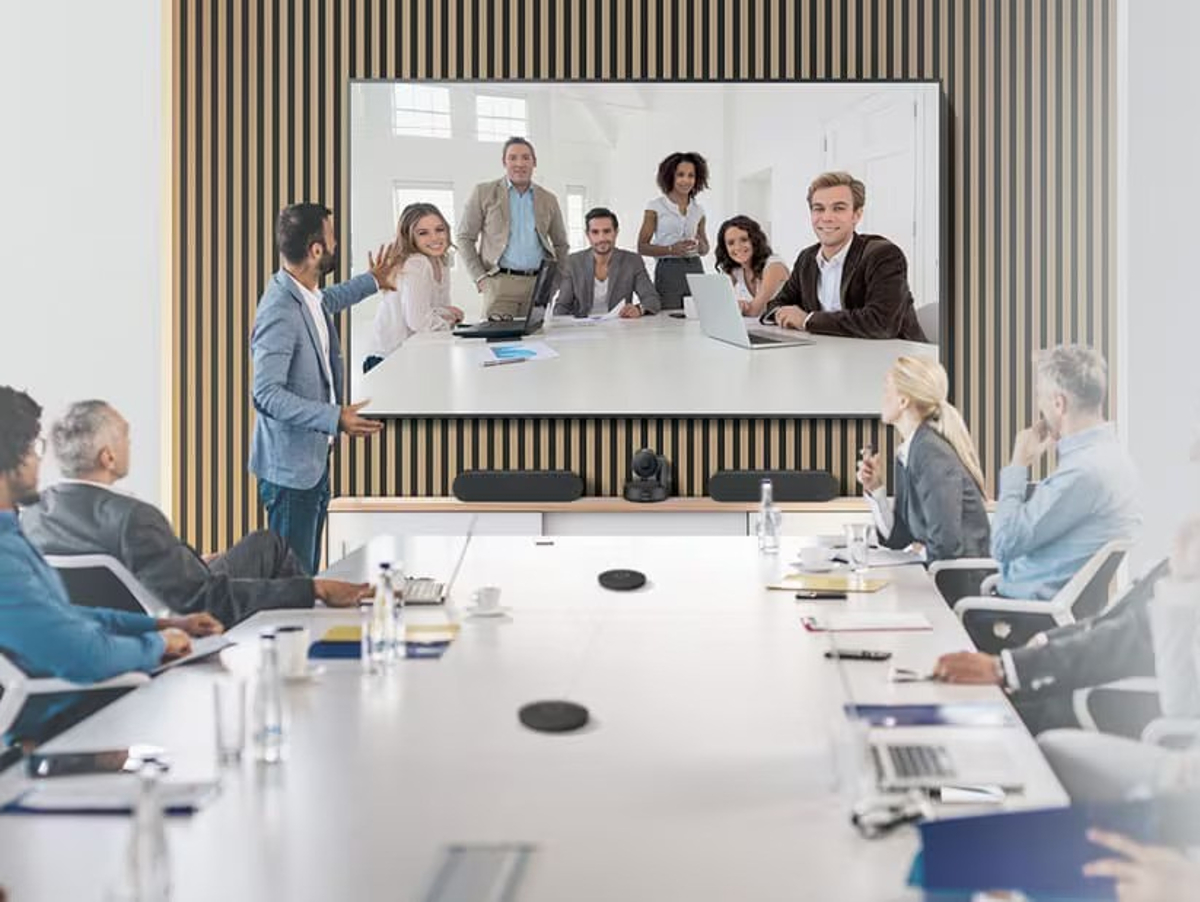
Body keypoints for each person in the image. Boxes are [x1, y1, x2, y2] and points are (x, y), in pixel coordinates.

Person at [22, 401, 373, 628]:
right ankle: (316, 641)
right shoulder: (132, 518)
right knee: (273, 548)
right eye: (125, 436)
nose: (130, 443)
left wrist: (188, 559)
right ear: (107, 457)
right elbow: (208, 603)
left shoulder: (36, 512)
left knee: (263, 545)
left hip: (136, 605)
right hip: (175, 617)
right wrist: (313, 588)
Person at [0, 387, 220, 686]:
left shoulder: (16, 530)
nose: (40, 461)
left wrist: (165, 624)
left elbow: (65, 615)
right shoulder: (5, 559)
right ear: (11, 457)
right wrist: (159, 644)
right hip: (77, 707)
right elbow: (87, 656)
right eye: (34, 448)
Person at [250, 203, 395, 576]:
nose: (335, 245)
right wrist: (334, 417)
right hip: (289, 473)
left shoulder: (305, 293)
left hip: (310, 462)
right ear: (316, 250)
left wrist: (372, 281)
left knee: (306, 577)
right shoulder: (279, 308)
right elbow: (265, 393)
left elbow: (327, 302)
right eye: (331, 239)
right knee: (293, 584)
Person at [932, 556, 1170, 734]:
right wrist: (1042, 646)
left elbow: (1132, 638)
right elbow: (1112, 623)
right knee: (950, 708)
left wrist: (1008, 669)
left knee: (956, 719)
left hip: (1117, 703)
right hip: (1084, 676)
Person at [990, 345, 1141, 600]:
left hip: (1022, 618)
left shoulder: (1083, 471)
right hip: (1037, 610)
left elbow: (1004, 543)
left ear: (1059, 403)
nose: (1039, 406)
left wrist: (1018, 465)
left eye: (1040, 397)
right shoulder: (1112, 457)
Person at [761, 171, 926, 340]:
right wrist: (782, 313)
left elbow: (882, 323)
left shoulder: (883, 255)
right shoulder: (807, 259)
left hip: (897, 360)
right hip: (834, 355)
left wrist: (807, 320)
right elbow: (776, 304)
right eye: (819, 209)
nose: (827, 218)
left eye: (838, 208)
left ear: (857, 215)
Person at [856, 356, 991, 563]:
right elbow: (898, 539)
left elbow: (945, 546)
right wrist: (876, 489)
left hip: (957, 586)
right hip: (937, 579)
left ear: (903, 401)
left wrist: (917, 551)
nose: (882, 397)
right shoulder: (910, 450)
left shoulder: (930, 452)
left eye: (886, 390)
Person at [456, 137, 569, 319]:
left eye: (526, 157)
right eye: (513, 157)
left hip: (537, 286)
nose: (519, 163)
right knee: (499, 345)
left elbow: (561, 245)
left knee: (536, 343)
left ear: (534, 162)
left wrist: (555, 282)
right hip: (500, 284)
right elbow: (464, 238)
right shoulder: (483, 192)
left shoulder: (549, 199)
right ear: (504, 162)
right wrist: (480, 277)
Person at [364, 202, 463, 373]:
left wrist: (447, 314)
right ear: (409, 237)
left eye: (439, 230)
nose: (435, 238)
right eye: (423, 233)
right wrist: (449, 318)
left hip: (414, 350)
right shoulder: (417, 263)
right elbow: (418, 322)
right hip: (388, 359)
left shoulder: (441, 260)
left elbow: (435, 310)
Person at [552, 207, 660, 318]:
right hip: (583, 329)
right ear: (588, 235)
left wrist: (639, 309)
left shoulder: (632, 261)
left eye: (607, 231)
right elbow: (562, 306)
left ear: (616, 232)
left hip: (619, 327)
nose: (601, 238)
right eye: (595, 232)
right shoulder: (573, 262)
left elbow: (652, 299)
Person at [637, 151, 711, 310]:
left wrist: (700, 246)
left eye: (691, 175)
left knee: (698, 315)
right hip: (668, 269)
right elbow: (641, 246)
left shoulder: (699, 210)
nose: (686, 180)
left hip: (695, 267)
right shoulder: (655, 207)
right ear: (670, 176)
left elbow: (705, 248)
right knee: (668, 318)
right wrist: (671, 249)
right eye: (680, 175)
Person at [713, 215, 790, 318]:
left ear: (755, 240)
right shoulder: (736, 270)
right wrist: (736, 306)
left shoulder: (774, 266)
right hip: (764, 328)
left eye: (744, 240)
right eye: (731, 243)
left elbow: (756, 311)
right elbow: (717, 306)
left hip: (787, 330)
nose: (738, 247)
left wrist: (735, 307)